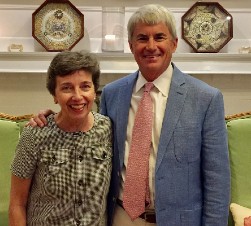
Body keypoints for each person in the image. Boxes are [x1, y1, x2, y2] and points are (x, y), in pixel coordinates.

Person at [28, 4, 231, 226]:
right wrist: (49, 120)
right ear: (131, 46)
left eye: (159, 37)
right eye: (142, 38)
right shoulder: (112, 94)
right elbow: (88, 133)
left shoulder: (206, 99)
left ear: (173, 44)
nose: (151, 46)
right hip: (121, 216)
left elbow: (217, 180)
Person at [9, 51, 113, 226]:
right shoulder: (35, 134)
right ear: (54, 95)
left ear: (94, 91)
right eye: (67, 87)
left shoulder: (109, 129)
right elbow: (17, 204)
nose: (78, 96)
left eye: (85, 86)